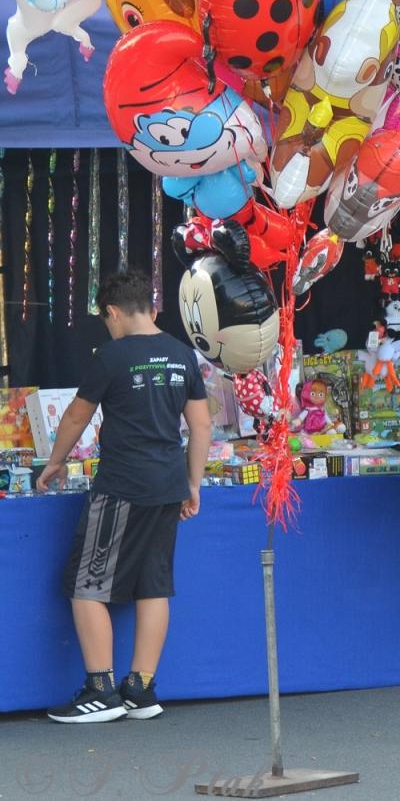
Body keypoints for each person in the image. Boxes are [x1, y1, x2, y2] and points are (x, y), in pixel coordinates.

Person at [38, 269, 211, 723]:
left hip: (122, 484)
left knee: (85, 585)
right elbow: (202, 426)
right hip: (168, 483)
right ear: (151, 308)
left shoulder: (111, 356)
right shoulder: (182, 355)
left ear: (113, 312)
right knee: (154, 585)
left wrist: (55, 461)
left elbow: (76, 416)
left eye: (105, 319)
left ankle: (101, 690)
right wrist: (192, 485)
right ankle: (141, 687)